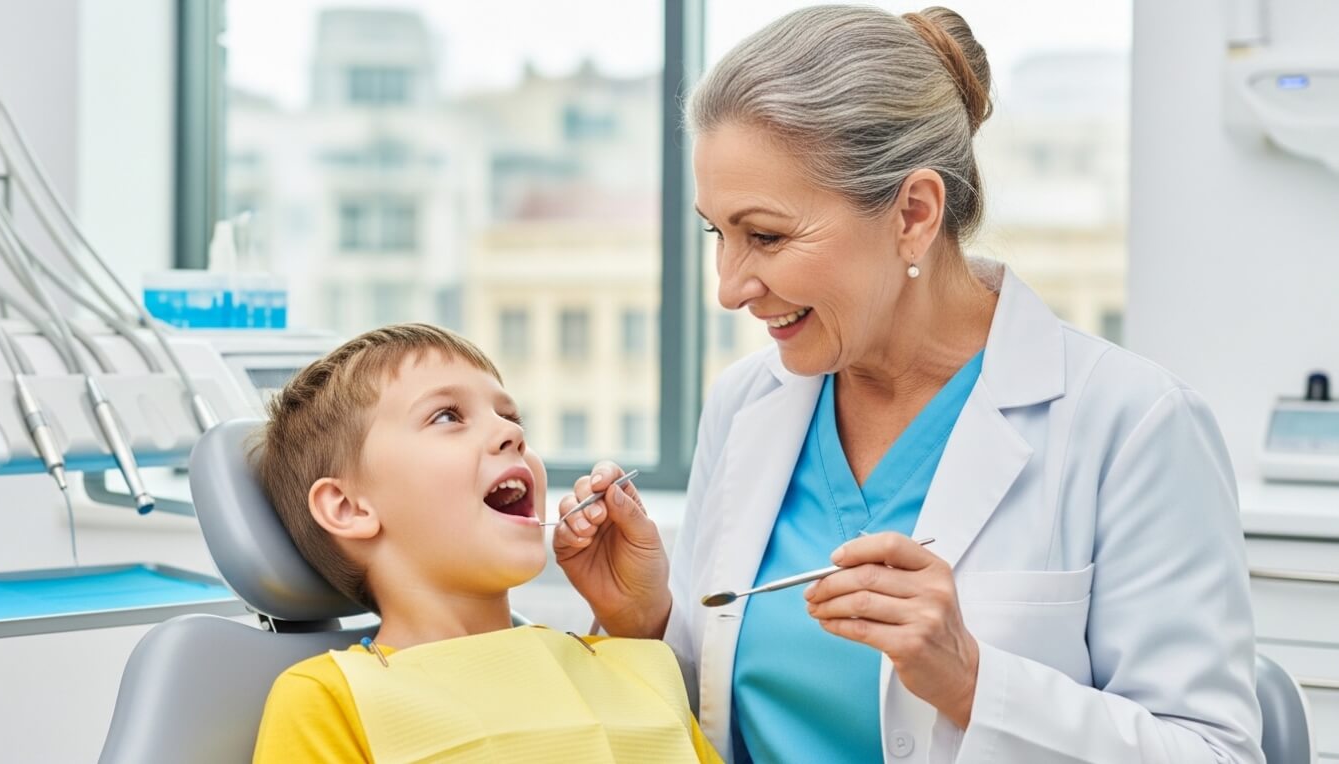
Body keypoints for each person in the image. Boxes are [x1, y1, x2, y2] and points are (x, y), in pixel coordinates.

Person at [553, 6, 1263, 762]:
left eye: (764, 235)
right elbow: (722, 714)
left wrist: (971, 680)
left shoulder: (1134, 424)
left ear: (914, 215)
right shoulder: (745, 403)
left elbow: (1215, 752)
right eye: (716, 234)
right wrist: (645, 622)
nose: (729, 288)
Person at [249, 324, 720, 763]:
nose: (511, 433)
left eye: (511, 416)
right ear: (348, 507)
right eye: (447, 416)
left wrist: (633, 624)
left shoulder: (629, 664)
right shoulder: (328, 697)